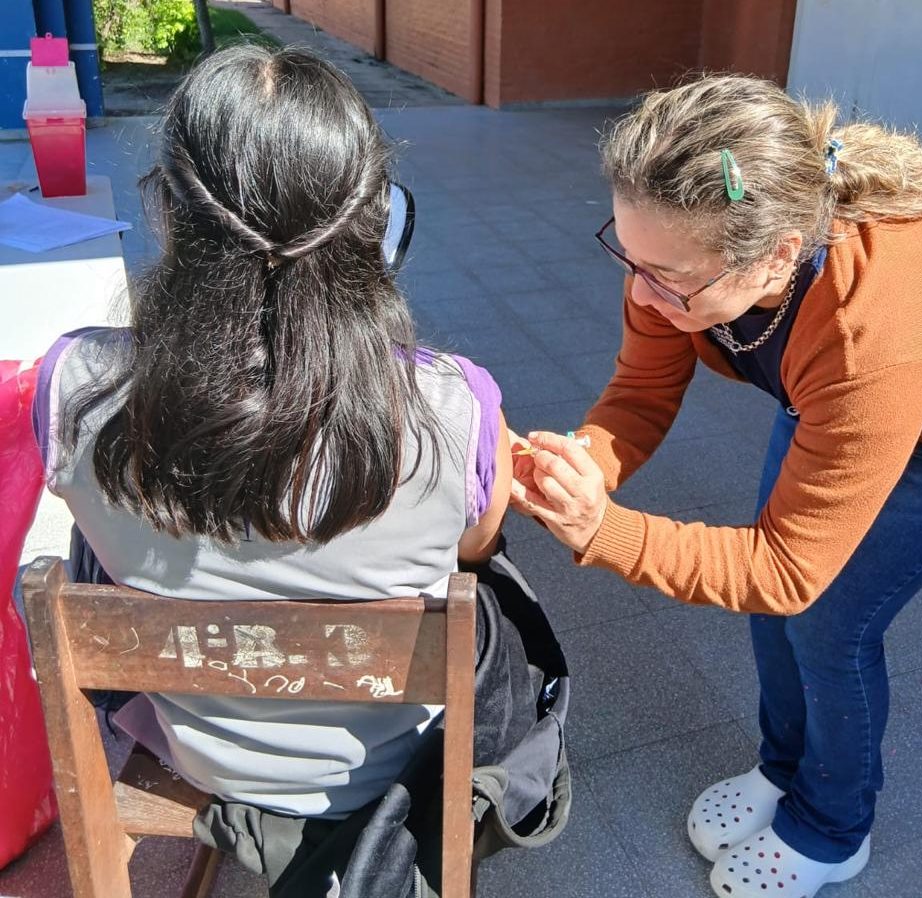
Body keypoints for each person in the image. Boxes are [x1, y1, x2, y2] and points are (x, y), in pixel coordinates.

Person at [30, 44, 567, 897]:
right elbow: (476, 543)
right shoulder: (454, 407)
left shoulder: (73, 387)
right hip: (392, 758)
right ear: (374, 219)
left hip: (196, 745)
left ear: (169, 213)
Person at [510, 73, 922, 898]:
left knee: (826, 618)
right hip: (829, 392)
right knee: (774, 603)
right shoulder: (677, 247)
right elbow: (641, 392)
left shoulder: (872, 330)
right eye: (628, 256)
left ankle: (832, 827)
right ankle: (784, 768)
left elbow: (788, 569)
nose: (642, 291)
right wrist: (578, 466)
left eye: (668, 278)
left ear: (779, 253)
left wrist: (601, 530)